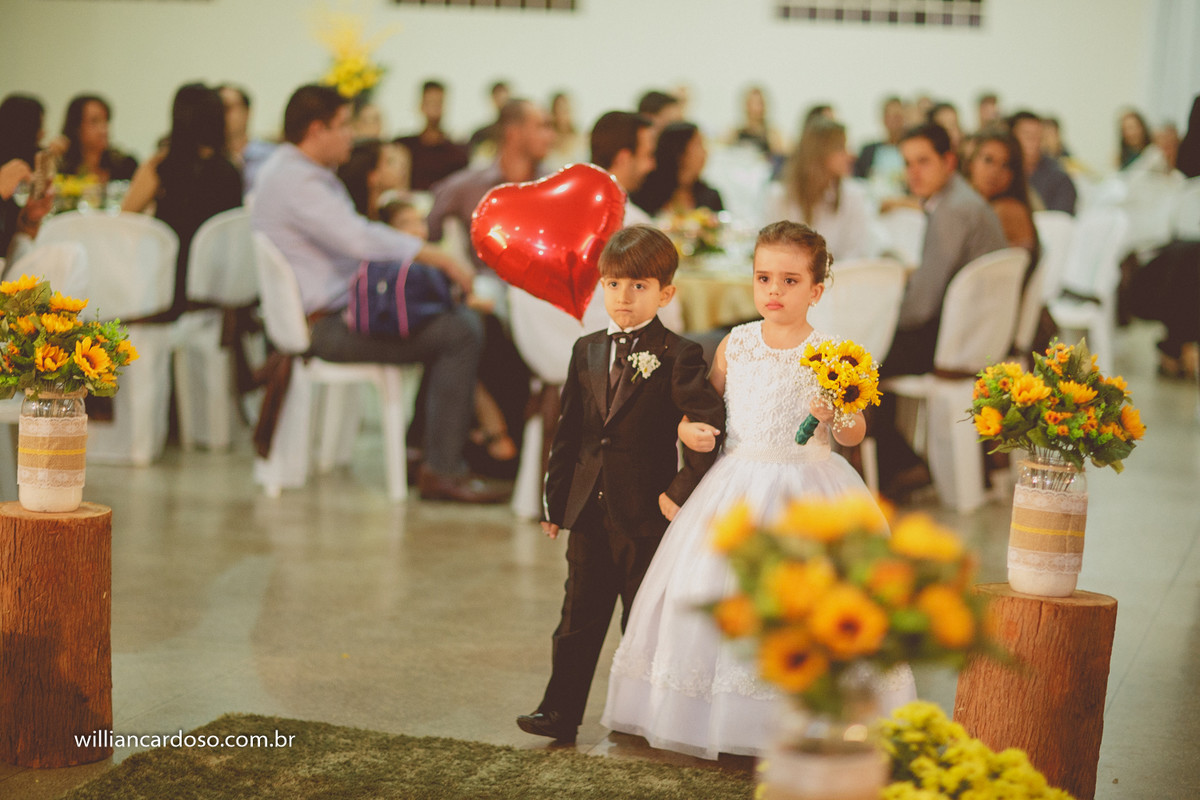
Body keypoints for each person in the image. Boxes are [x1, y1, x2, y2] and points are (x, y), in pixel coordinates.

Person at [603, 220, 915, 759]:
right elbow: (710, 413)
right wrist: (687, 430)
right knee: (710, 590)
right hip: (736, 482)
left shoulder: (834, 353)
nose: (774, 291)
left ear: (816, 291)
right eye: (764, 277)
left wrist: (835, 413)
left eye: (790, 281)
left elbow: (855, 432)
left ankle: (803, 716)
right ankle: (705, 712)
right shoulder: (736, 344)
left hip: (808, 484)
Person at [516, 224, 726, 744]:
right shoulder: (586, 349)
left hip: (647, 514)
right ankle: (558, 711)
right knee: (577, 616)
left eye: (638, 286)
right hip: (589, 510)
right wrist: (555, 503)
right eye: (613, 285)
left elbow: (709, 430)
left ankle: (644, 714)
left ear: (665, 293)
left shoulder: (680, 354)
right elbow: (569, 435)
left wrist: (677, 493)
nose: (624, 297)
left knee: (642, 620)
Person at [251, 83, 503, 503]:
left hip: (334, 313)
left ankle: (427, 452)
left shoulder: (293, 171)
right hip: (327, 326)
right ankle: (441, 469)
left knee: (453, 319)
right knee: (459, 332)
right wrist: (435, 257)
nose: (352, 136)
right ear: (316, 130)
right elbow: (358, 240)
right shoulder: (297, 180)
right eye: (344, 126)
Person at [876, 122, 1007, 500]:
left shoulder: (953, 209)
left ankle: (898, 465)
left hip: (952, 341)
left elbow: (921, 307)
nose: (913, 173)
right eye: (907, 163)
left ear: (949, 161)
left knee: (854, 358)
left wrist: (880, 316)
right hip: (972, 336)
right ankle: (899, 462)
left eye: (923, 162)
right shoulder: (961, 200)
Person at [122, 83, 244, 319]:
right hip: (218, 289)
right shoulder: (232, 170)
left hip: (168, 288)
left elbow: (125, 219)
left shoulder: (162, 167)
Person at [767, 117, 879, 260]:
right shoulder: (780, 195)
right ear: (818, 153)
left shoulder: (854, 195)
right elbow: (773, 251)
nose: (850, 155)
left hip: (842, 278)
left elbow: (855, 254)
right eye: (841, 148)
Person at [964, 127, 1040, 275]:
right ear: (971, 163)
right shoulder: (984, 205)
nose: (995, 172)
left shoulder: (1006, 209)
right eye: (988, 160)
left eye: (1005, 165)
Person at [630, 121, 723, 218]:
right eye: (698, 144)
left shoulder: (710, 196)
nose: (705, 152)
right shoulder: (647, 193)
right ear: (680, 150)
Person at [0, 94, 53, 261]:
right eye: (39, 127)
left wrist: (31, 219)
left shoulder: (32, 163)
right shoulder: (13, 170)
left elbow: (17, 243)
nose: (43, 134)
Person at [395, 80, 470, 191]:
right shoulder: (405, 146)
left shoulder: (457, 153)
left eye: (438, 103)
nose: (434, 109)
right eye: (430, 103)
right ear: (421, 106)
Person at [51, 94, 138, 186]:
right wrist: (52, 157)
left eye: (106, 120)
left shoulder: (125, 164)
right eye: (94, 121)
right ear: (76, 127)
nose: (103, 129)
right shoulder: (64, 167)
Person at [1009, 110, 1077, 214]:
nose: (1034, 142)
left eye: (1038, 137)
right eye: (1027, 136)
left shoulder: (1058, 177)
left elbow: (1061, 220)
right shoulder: (1003, 173)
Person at [217, 84, 276, 194]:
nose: (221, 115)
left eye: (227, 108)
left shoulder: (271, 156)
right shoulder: (209, 161)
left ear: (247, 112)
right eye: (217, 109)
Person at [336, 139, 410, 220]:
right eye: (390, 162)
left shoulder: (387, 212)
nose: (402, 168)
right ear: (372, 176)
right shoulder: (352, 217)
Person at [855, 95, 908, 199]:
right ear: (883, 119)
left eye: (897, 116)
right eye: (889, 116)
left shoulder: (912, 152)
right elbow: (858, 182)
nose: (893, 121)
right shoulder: (868, 151)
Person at [728, 85, 785, 160]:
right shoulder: (736, 133)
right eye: (751, 103)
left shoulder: (772, 134)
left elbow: (783, 154)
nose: (755, 108)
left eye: (759, 103)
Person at [467, 80, 512, 157]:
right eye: (498, 97)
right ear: (493, 99)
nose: (502, 102)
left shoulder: (520, 133)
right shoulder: (481, 134)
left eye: (504, 98)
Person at [546, 90, 585, 168]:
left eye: (565, 110)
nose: (562, 116)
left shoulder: (582, 140)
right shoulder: (547, 142)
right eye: (558, 111)